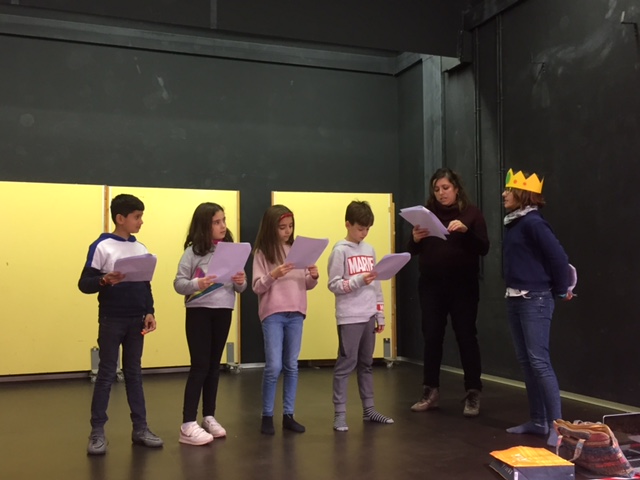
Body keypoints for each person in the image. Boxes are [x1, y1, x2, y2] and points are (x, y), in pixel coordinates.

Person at [78, 193, 163, 455]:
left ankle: (140, 428)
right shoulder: (101, 246)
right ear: (120, 218)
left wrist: (149, 311)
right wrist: (104, 280)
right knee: (106, 374)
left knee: (134, 374)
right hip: (112, 320)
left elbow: (146, 285)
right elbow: (84, 284)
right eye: (137, 217)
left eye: (141, 217)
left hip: (137, 320)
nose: (141, 222)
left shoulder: (141, 249)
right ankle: (97, 432)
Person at [408, 167, 490, 417]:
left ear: (456, 189)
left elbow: (484, 248)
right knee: (432, 336)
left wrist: (466, 232)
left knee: (466, 336)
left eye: (445, 188)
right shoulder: (426, 215)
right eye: (437, 189)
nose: (441, 193)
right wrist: (415, 239)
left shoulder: (471, 214)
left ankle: (473, 392)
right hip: (431, 286)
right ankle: (430, 390)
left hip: (463, 286)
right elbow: (411, 251)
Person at [502, 168, 573, 446]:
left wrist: (561, 289)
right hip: (516, 297)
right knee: (527, 362)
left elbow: (559, 258)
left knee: (539, 362)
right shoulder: (515, 222)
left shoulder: (533, 223)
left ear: (523, 194)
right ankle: (538, 420)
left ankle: (558, 426)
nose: (504, 194)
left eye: (509, 190)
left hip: (535, 299)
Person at [174, 202, 247, 445]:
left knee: (214, 366)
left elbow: (241, 288)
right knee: (200, 366)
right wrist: (198, 284)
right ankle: (187, 423)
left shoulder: (231, 250)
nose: (223, 226)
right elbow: (179, 284)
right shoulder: (193, 252)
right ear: (204, 226)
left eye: (224, 220)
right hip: (199, 312)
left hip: (224, 310)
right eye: (217, 222)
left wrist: (240, 280)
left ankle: (209, 416)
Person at [327, 200, 394, 432]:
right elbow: (333, 285)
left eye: (367, 229)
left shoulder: (370, 250)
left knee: (366, 364)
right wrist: (357, 281)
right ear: (348, 224)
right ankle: (339, 414)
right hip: (349, 316)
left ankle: (369, 409)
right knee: (346, 364)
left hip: (368, 315)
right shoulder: (340, 251)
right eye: (360, 228)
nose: (364, 233)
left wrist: (380, 313)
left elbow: (377, 284)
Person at [252, 204, 319, 435]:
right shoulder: (263, 253)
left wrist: (313, 276)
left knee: (292, 365)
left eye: (290, 226)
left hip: (296, 312)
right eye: (282, 227)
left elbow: (306, 283)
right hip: (273, 313)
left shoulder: (297, 250)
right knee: (274, 366)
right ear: (271, 228)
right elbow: (257, 287)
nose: (287, 231)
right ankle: (267, 416)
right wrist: (273, 275)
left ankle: (288, 415)